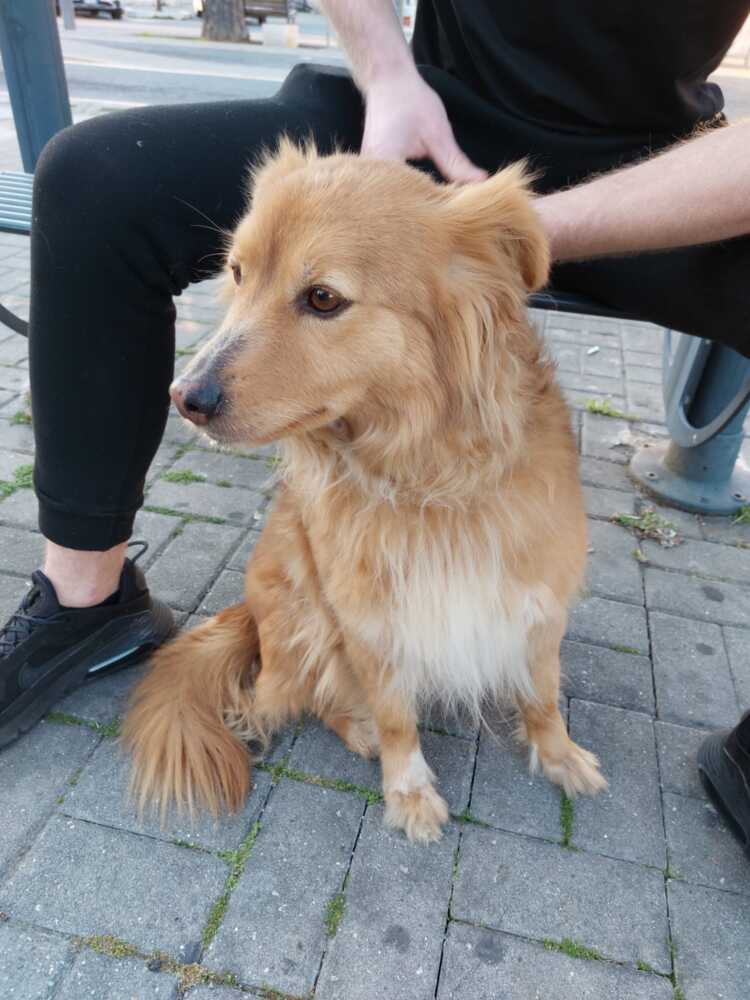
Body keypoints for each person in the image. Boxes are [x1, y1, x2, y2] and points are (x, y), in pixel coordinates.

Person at [1, 0, 749, 821]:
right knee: (91, 176)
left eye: (320, 298)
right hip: (419, 112)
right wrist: (387, 73)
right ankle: (86, 602)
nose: (197, 388)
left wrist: (491, 236)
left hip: (659, 162)